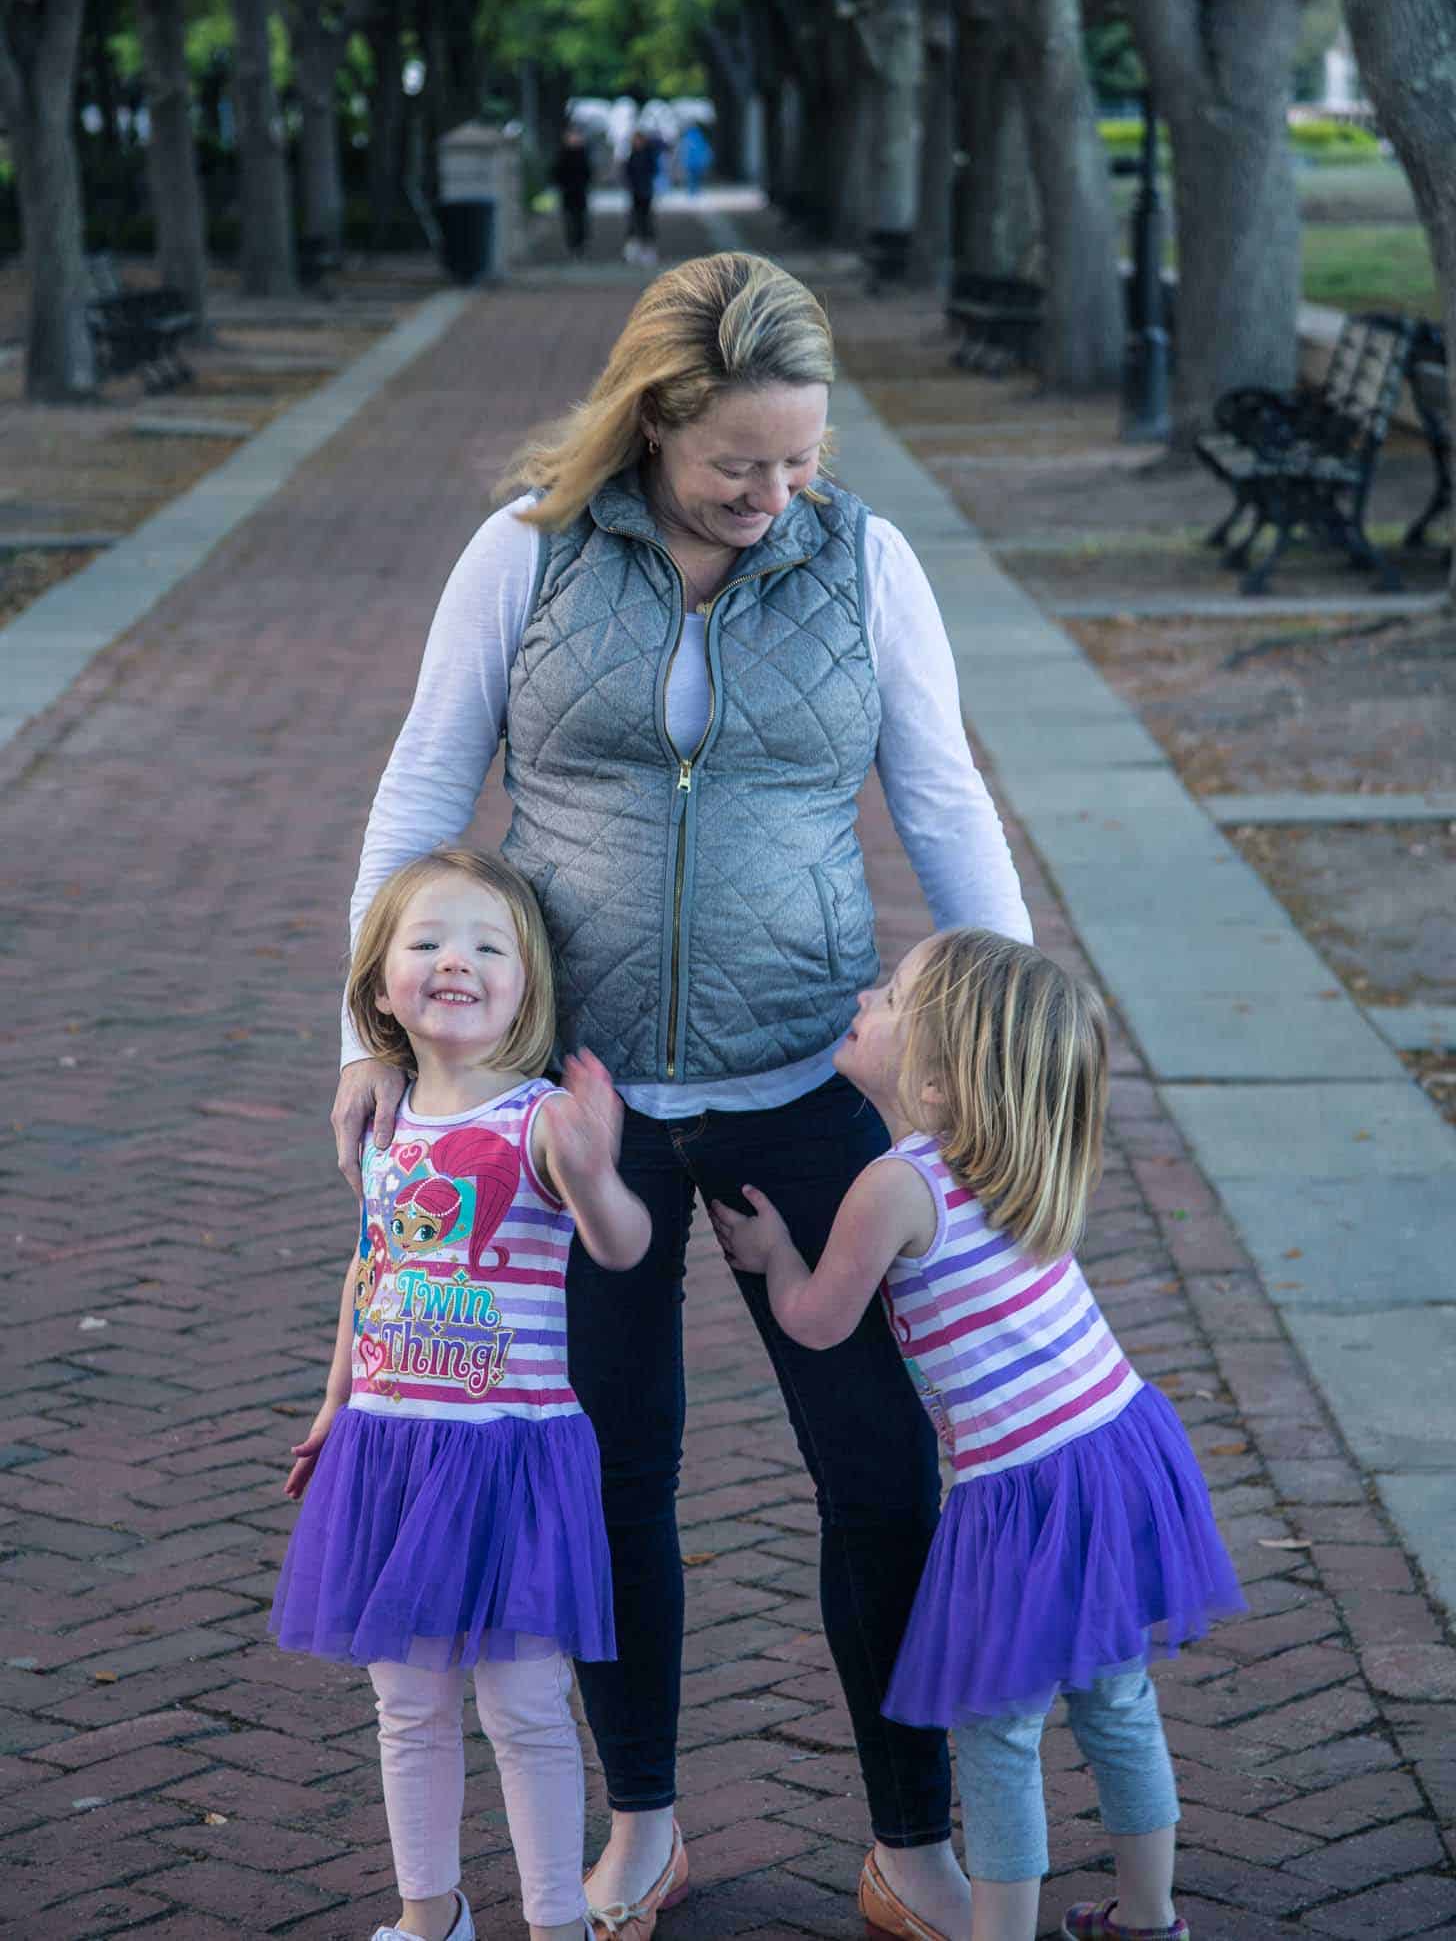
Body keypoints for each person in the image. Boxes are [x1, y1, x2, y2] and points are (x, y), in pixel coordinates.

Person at [331, 251, 1034, 1941]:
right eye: (738, 461)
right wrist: (359, 1033)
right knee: (608, 1470)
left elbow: (941, 795)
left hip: (804, 1077)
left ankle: (910, 1833)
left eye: (801, 457)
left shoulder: (865, 559)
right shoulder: (526, 554)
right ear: (651, 422)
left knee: (878, 1472)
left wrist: (1012, 1057)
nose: (774, 492)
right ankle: (637, 1818)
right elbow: (427, 778)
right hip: (575, 1101)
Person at [710, 929, 1245, 1941]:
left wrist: (778, 1251)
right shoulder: (1014, 1160)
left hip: (1025, 1487)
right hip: (1118, 1446)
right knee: (1115, 1698)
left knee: (998, 1730)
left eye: (893, 997)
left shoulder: (896, 1184)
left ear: (943, 1082)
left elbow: (819, 1320)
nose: (865, 996)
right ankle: (1147, 1915)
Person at [276, 847, 651, 1941]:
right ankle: (427, 1914)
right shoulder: (386, 1123)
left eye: (489, 945)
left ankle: (554, 1921)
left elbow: (620, 1245)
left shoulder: (537, 1120)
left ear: (524, 983)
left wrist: (594, 1170)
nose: (457, 961)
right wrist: (334, 1401)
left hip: (509, 1455)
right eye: (428, 941)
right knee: (408, 1704)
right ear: (380, 983)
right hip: (390, 1450)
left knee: (525, 1705)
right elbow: (370, 1269)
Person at [552, 125, 592, 259]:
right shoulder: (562, 154)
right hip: (568, 193)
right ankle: (572, 244)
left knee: (580, 219)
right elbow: (556, 172)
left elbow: (588, 172)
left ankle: (580, 244)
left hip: (580, 192)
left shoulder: (583, 153)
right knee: (569, 219)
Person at [622, 129, 658, 265]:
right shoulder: (632, 155)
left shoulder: (648, 155)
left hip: (646, 192)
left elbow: (653, 170)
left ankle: (648, 250)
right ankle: (632, 250)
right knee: (633, 220)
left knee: (646, 221)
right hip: (635, 193)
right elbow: (627, 173)